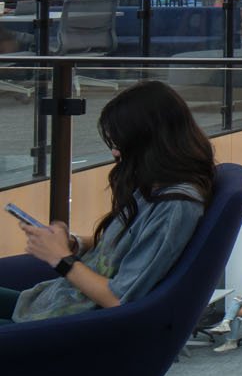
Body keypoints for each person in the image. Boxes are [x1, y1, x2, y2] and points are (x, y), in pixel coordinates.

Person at [2, 81, 217, 323]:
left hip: (67, 323)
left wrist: (61, 259)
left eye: (119, 144)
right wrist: (73, 244)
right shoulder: (156, 187)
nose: (115, 153)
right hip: (51, 305)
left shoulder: (174, 207)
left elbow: (119, 299)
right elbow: (129, 245)